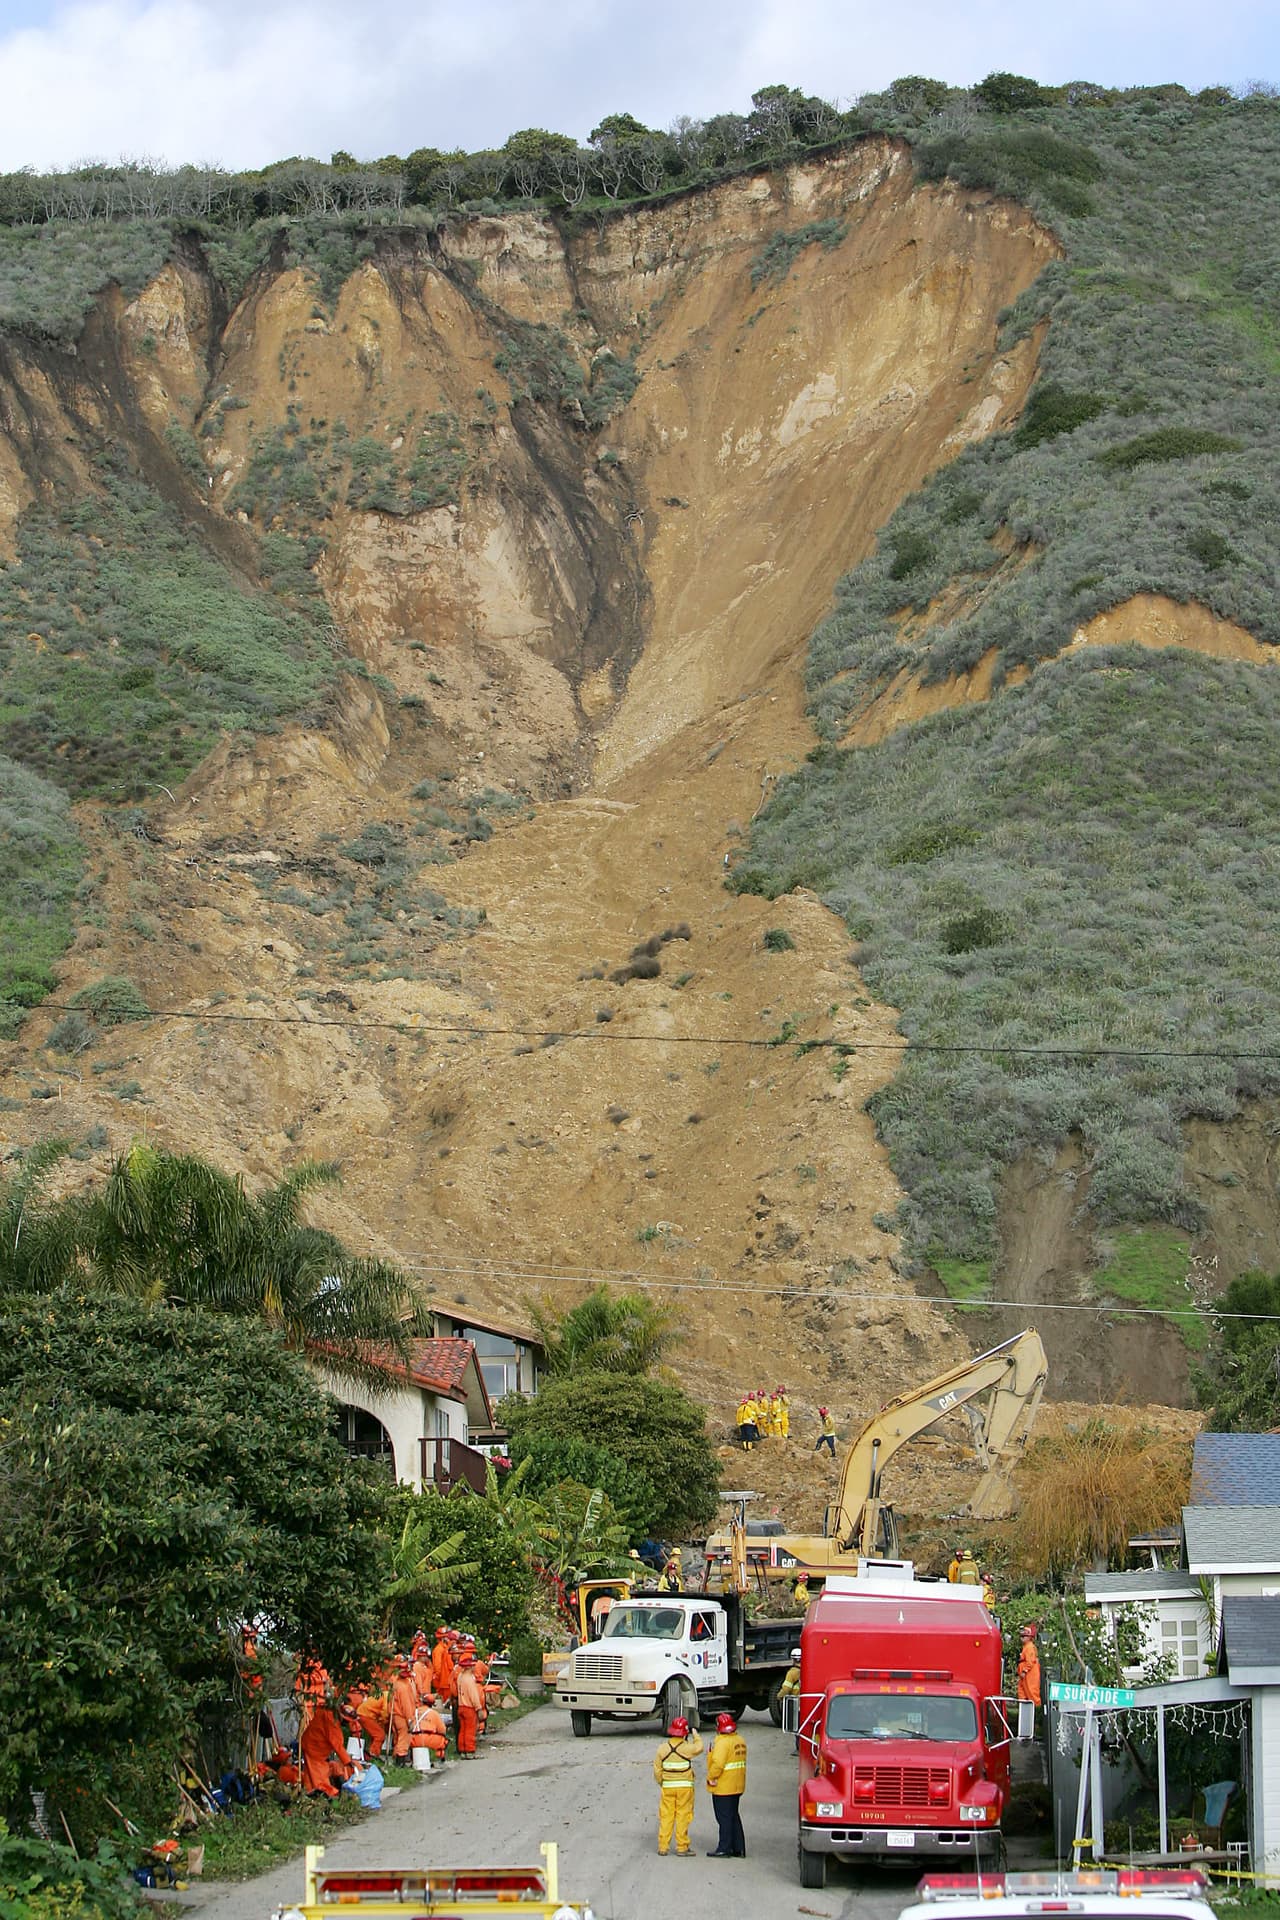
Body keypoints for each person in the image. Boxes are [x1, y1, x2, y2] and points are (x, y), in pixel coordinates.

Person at [653, 1715, 703, 1856]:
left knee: (666, 1816)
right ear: (684, 1733)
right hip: (685, 1789)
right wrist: (696, 1735)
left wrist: (662, 1782)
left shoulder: (662, 1749)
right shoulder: (687, 1748)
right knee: (683, 1816)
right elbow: (699, 1747)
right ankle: (682, 1847)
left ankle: (663, 1846)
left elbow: (657, 1770)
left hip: (668, 1787)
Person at [706, 1711, 748, 1857]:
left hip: (724, 1786)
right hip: (737, 1785)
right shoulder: (740, 1740)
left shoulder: (722, 1742)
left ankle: (724, 1847)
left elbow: (718, 1764)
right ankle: (739, 1848)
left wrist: (711, 1776)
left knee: (723, 1818)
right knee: (733, 1816)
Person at [454, 1649, 485, 1758]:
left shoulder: (460, 1677)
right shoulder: (469, 1679)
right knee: (470, 1730)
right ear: (470, 1666)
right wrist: (479, 1708)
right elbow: (474, 1696)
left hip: (461, 1706)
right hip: (469, 1708)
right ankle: (469, 1751)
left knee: (462, 1729)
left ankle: (462, 1750)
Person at [391, 1657, 423, 1759]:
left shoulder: (396, 1684)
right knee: (404, 1739)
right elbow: (406, 1705)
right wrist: (409, 1719)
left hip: (396, 1714)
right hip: (402, 1716)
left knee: (399, 1738)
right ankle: (400, 1761)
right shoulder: (403, 1687)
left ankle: (396, 1757)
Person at [1017, 1623, 1041, 1739]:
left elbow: (1030, 1662)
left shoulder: (1030, 1647)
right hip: (1024, 1677)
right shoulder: (1026, 1647)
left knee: (1032, 1696)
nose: (1022, 1638)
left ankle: (1036, 1723)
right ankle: (1024, 1725)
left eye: (1024, 1636)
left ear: (1029, 1637)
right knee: (1022, 1696)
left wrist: (1024, 1671)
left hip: (1030, 1676)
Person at [431, 1625, 455, 1701]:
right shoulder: (439, 1650)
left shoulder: (445, 1648)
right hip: (443, 1682)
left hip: (446, 1681)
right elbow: (438, 1668)